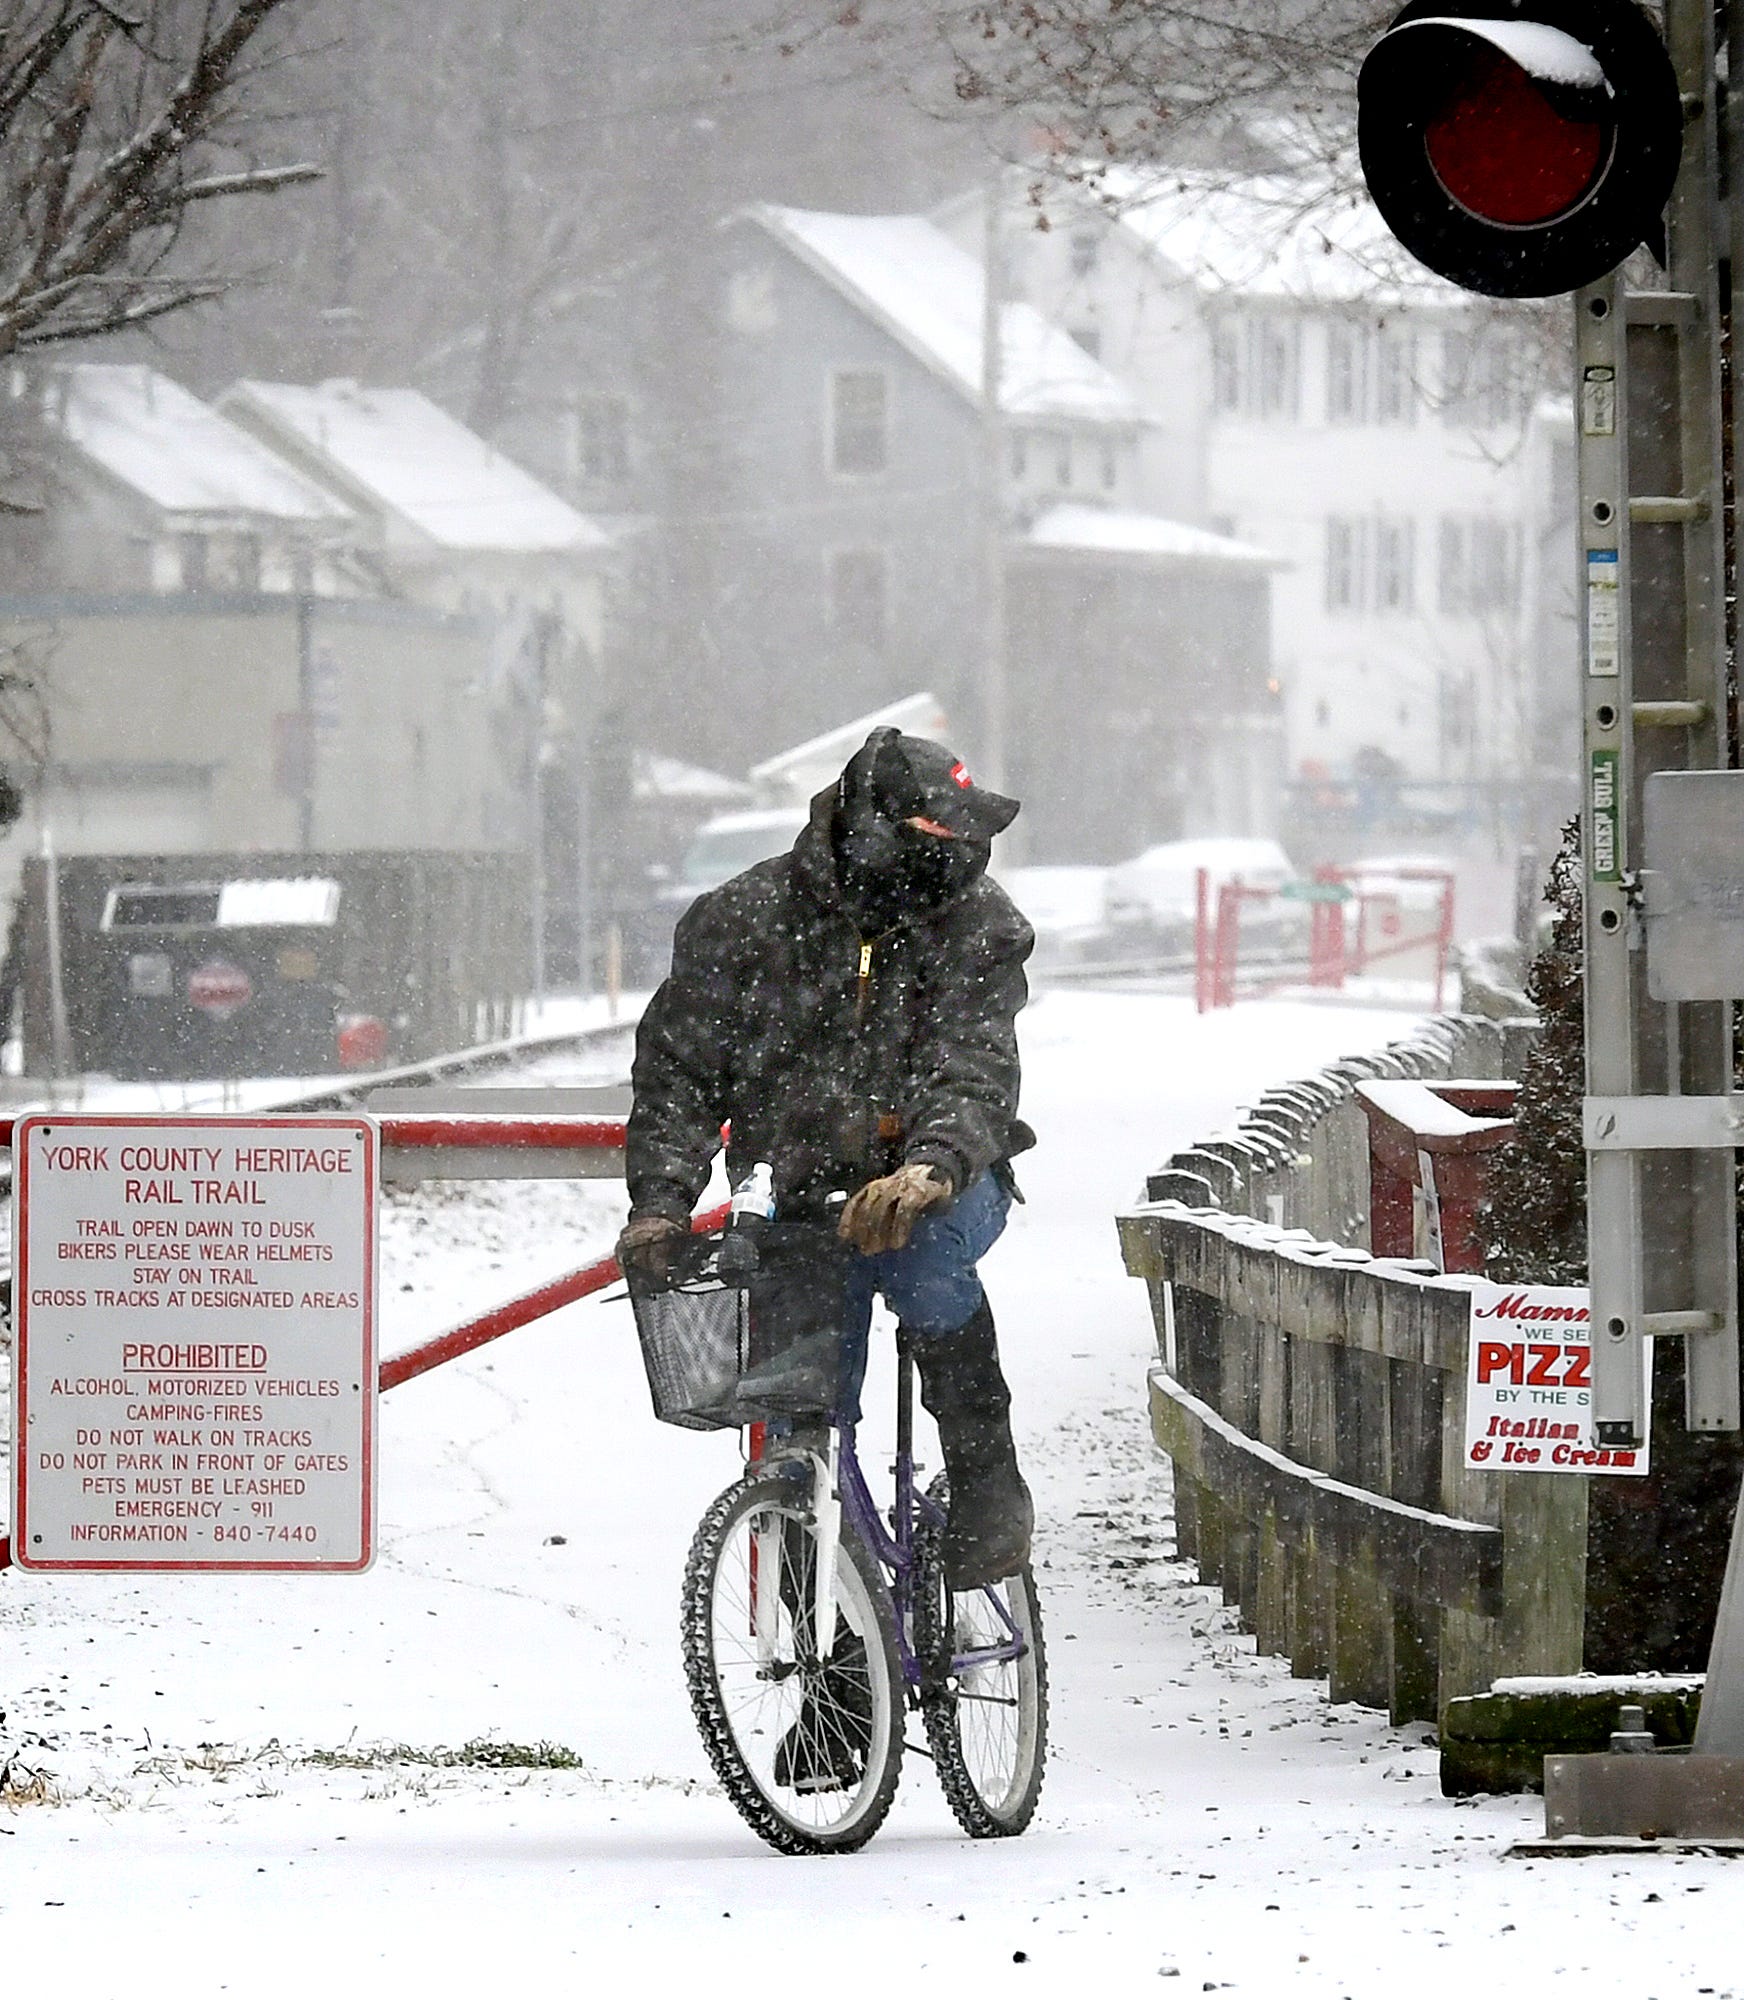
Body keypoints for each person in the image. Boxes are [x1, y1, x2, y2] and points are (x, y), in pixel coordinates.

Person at [617, 724, 1036, 1593]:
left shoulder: (979, 924)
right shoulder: (739, 921)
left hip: (946, 1176)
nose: (956, 859)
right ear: (874, 830)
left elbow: (975, 1061)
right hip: (794, 1192)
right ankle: (833, 1670)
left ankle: (987, 1474)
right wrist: (660, 1199)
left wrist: (932, 1164)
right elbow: (679, 1074)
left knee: (921, 1259)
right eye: (936, 839)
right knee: (800, 1403)